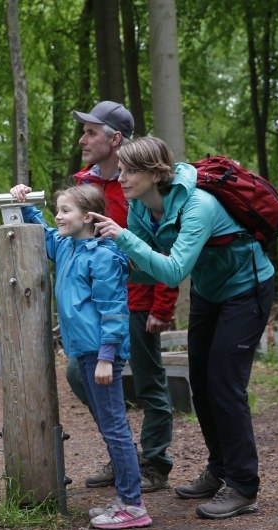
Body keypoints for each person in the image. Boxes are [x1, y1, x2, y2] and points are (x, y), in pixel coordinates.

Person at [92, 136, 274, 520]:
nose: (120, 177)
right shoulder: (141, 209)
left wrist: (122, 238)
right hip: (210, 292)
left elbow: (174, 270)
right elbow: (145, 266)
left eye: (128, 171)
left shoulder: (199, 205)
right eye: (120, 170)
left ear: (154, 173)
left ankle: (243, 486)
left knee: (225, 383)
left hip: (247, 289)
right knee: (201, 382)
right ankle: (219, 469)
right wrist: (109, 264)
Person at [11, 183, 151, 530]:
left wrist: (106, 356)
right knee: (108, 425)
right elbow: (43, 235)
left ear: (88, 217)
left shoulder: (103, 255)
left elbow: (115, 311)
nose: (58, 216)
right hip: (86, 352)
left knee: (115, 427)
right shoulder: (67, 246)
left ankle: (133, 506)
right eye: (57, 209)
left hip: (100, 354)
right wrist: (25, 204)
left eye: (66, 210)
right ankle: (125, 498)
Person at [69, 101, 179, 492]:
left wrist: (162, 305)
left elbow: (166, 243)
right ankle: (123, 456)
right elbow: (71, 240)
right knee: (79, 376)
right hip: (95, 305)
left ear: (115, 139)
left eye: (91, 132)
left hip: (137, 300)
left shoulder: (141, 184)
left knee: (149, 383)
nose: (83, 139)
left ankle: (155, 463)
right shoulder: (84, 181)